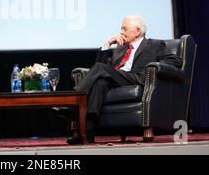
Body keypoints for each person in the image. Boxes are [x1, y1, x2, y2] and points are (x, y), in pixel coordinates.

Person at [66, 15, 183, 144]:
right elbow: (101, 67)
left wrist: (152, 67)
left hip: (137, 79)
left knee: (100, 69)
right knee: (100, 82)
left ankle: (73, 100)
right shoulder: (120, 49)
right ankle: (87, 134)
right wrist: (107, 45)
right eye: (121, 29)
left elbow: (176, 60)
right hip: (118, 79)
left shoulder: (154, 44)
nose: (121, 32)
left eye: (125, 29)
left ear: (138, 31)